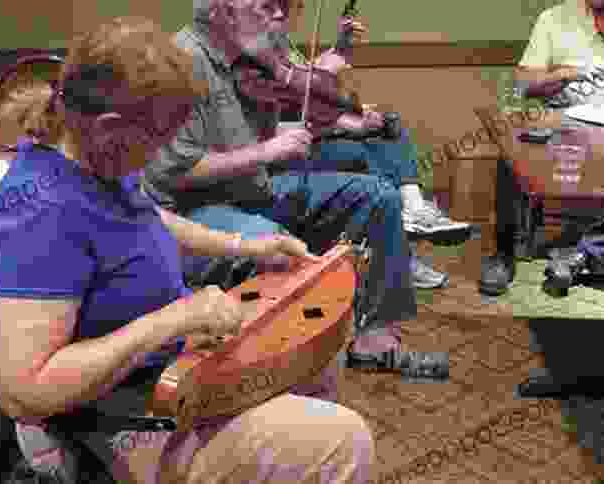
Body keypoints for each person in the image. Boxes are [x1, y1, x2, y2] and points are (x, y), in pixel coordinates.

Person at [0, 16, 375, 484]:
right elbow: (21, 392)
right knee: (342, 443)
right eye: (159, 141)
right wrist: (175, 319)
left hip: (168, 365)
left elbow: (149, 216)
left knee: (317, 353)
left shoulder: (96, 157)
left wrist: (248, 247)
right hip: (119, 421)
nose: (162, 154)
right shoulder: (40, 213)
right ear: (109, 128)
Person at [144, 0, 450, 377]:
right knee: (277, 244)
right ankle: (273, 373)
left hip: (254, 189)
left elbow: (251, 135)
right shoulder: (182, 63)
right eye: (266, 6)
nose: (279, 16)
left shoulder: (247, 58)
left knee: (379, 197)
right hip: (195, 211)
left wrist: (297, 133)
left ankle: (375, 340)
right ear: (222, 12)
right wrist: (266, 151)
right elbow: (175, 171)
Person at [281, 0, 472, 289]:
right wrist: (347, 125)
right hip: (287, 153)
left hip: (314, 135)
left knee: (390, 128)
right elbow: (286, 114)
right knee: (359, 153)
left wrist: (340, 48)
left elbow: (307, 81)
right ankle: (400, 254)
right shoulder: (251, 54)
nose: (289, 12)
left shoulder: (277, 44)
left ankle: (414, 207)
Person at [480, 0, 604, 295]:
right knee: (512, 151)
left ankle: (584, 253)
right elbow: (524, 84)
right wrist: (560, 76)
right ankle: (503, 253)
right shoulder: (555, 18)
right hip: (564, 121)